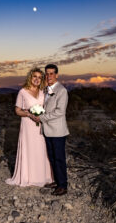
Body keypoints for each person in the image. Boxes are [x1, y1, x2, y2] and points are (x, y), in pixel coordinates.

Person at [5, 67, 53, 187]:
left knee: (41, 149)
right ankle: (29, 177)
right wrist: (29, 114)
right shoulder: (23, 92)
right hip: (28, 125)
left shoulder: (43, 91)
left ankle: (43, 176)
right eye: (34, 76)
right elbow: (17, 110)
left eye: (39, 77)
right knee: (29, 148)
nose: (37, 79)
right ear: (30, 77)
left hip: (40, 124)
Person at [33, 64, 69, 196]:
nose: (49, 76)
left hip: (58, 131)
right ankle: (57, 181)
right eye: (47, 74)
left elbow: (60, 112)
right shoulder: (46, 90)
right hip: (48, 130)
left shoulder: (61, 90)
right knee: (52, 157)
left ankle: (63, 186)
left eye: (52, 73)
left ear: (57, 75)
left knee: (59, 158)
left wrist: (41, 118)